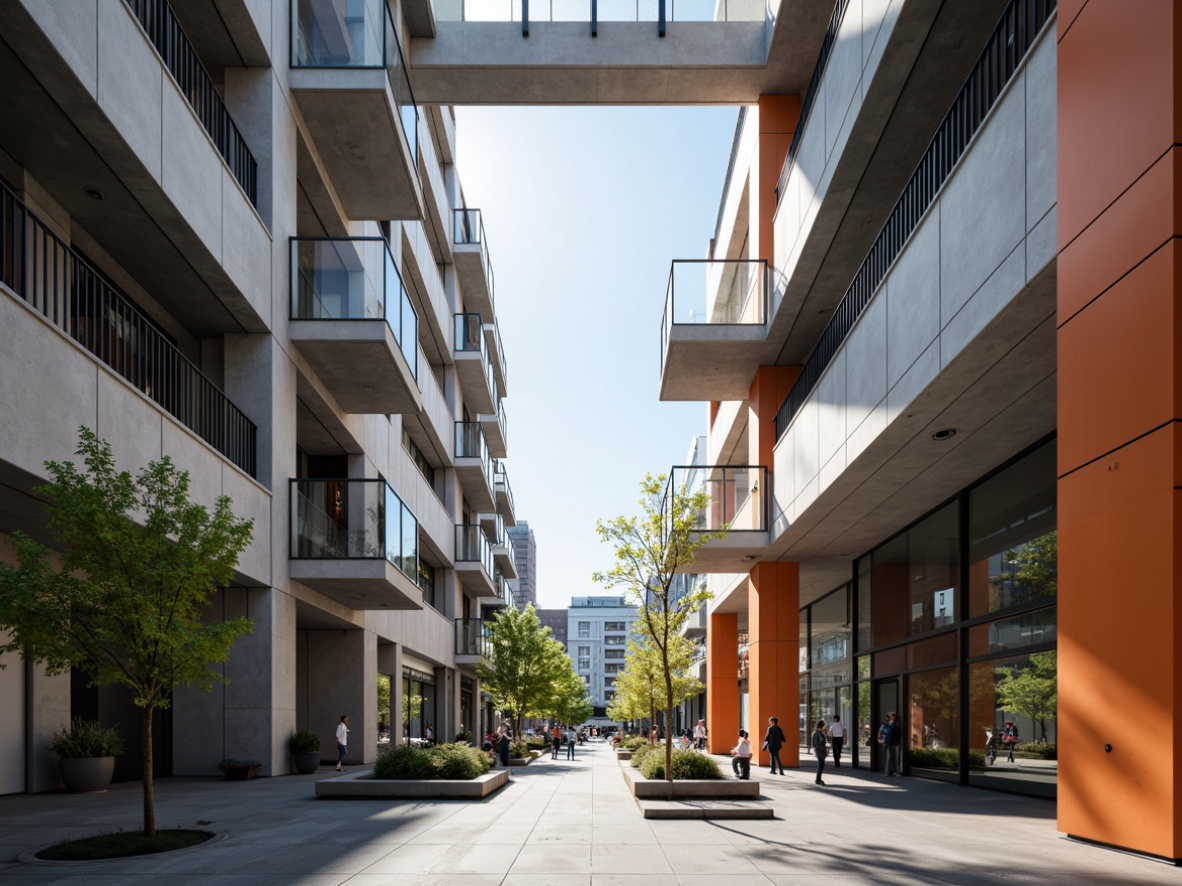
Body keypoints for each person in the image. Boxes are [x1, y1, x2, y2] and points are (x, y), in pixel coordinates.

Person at [883, 712, 902, 776]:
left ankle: (894, 771)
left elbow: (898, 735)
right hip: (887, 743)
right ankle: (889, 771)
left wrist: (896, 743)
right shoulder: (886, 725)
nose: (891, 718)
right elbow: (884, 733)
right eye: (890, 717)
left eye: (893, 717)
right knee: (889, 758)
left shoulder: (896, 725)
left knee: (894, 758)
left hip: (893, 744)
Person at [812, 720, 828, 785]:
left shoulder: (818, 733)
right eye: (824, 726)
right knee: (821, 765)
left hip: (820, 750)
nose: (825, 728)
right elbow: (817, 743)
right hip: (820, 751)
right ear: (822, 726)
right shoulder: (818, 733)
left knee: (821, 765)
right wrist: (822, 748)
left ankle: (818, 779)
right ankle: (818, 779)